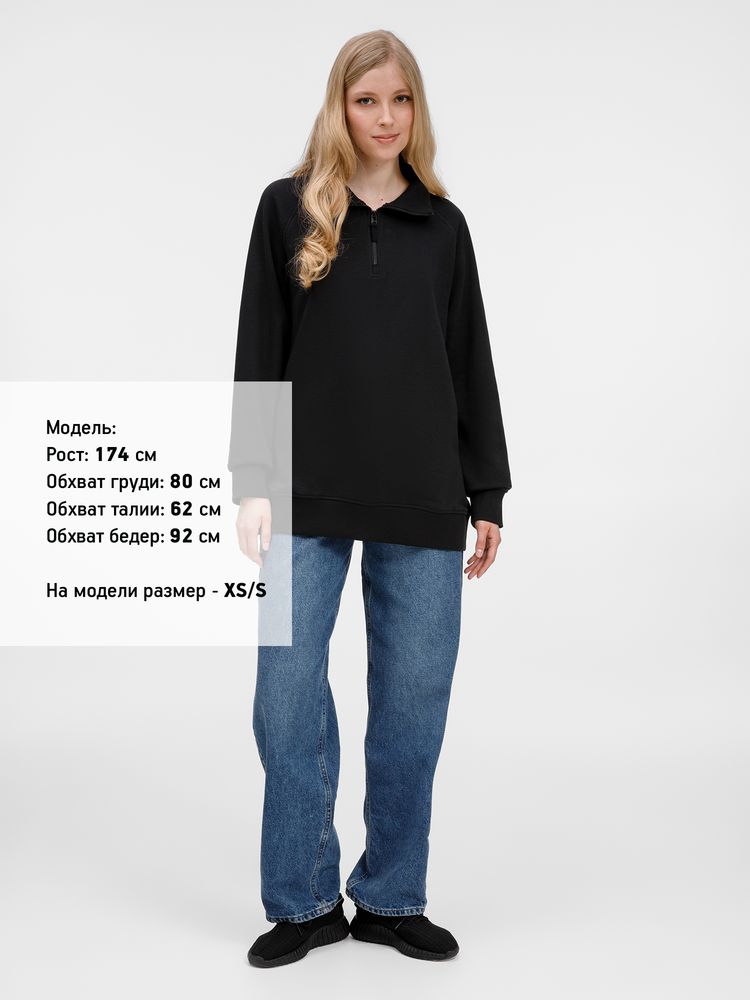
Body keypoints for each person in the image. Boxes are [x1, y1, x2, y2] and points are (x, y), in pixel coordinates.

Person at [228, 29, 512, 968]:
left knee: (412, 707)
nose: (385, 118)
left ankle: (390, 896)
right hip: (302, 494)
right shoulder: (287, 208)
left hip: (424, 495)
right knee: (284, 701)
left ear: (416, 108)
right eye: (366, 100)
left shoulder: (445, 226)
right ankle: (304, 900)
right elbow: (259, 344)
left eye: (400, 100)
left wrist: (487, 491)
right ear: (338, 106)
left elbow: (469, 361)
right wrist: (253, 480)